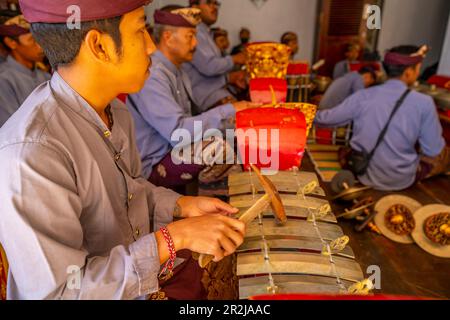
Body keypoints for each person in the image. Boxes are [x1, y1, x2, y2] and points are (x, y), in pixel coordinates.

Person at [0, 0, 245, 300]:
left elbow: (130, 191)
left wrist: (182, 205)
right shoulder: (33, 152)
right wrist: (173, 237)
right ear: (99, 46)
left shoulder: (114, 111)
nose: (152, 47)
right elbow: (63, 292)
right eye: (141, 31)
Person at [127, 7, 257, 190]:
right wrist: (229, 110)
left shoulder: (177, 70)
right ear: (168, 38)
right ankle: (219, 212)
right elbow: (177, 133)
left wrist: (232, 120)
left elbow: (192, 119)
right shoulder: (153, 75)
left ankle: (231, 201)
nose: (195, 43)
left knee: (237, 135)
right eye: (190, 36)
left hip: (173, 150)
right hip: (155, 163)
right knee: (217, 150)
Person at [315, 45, 449, 191]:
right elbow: (433, 150)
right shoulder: (425, 103)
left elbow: (325, 119)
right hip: (401, 179)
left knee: (345, 150)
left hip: (365, 173)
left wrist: (301, 111)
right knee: (443, 156)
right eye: (418, 68)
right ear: (409, 72)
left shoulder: (363, 96)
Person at [183, 0, 247, 111]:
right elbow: (209, 67)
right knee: (243, 117)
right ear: (194, 7)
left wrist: (229, 78)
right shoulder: (194, 31)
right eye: (209, 3)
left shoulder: (205, 32)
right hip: (205, 98)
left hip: (214, 91)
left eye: (216, 3)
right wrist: (235, 59)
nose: (214, 7)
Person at [0, 14, 50, 127]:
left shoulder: (46, 76)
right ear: (11, 42)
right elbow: (11, 127)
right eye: (31, 40)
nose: (40, 46)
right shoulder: (4, 80)